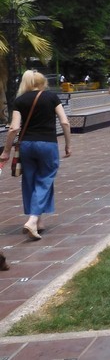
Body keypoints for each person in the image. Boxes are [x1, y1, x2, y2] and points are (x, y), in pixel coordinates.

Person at [0, 70, 72, 240]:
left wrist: (6, 151)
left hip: (26, 145)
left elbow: (14, 128)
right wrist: (68, 144)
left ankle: (38, 223)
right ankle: (32, 220)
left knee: (30, 181)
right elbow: (64, 121)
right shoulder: (51, 97)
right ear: (42, 82)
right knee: (46, 179)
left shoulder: (20, 101)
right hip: (47, 144)